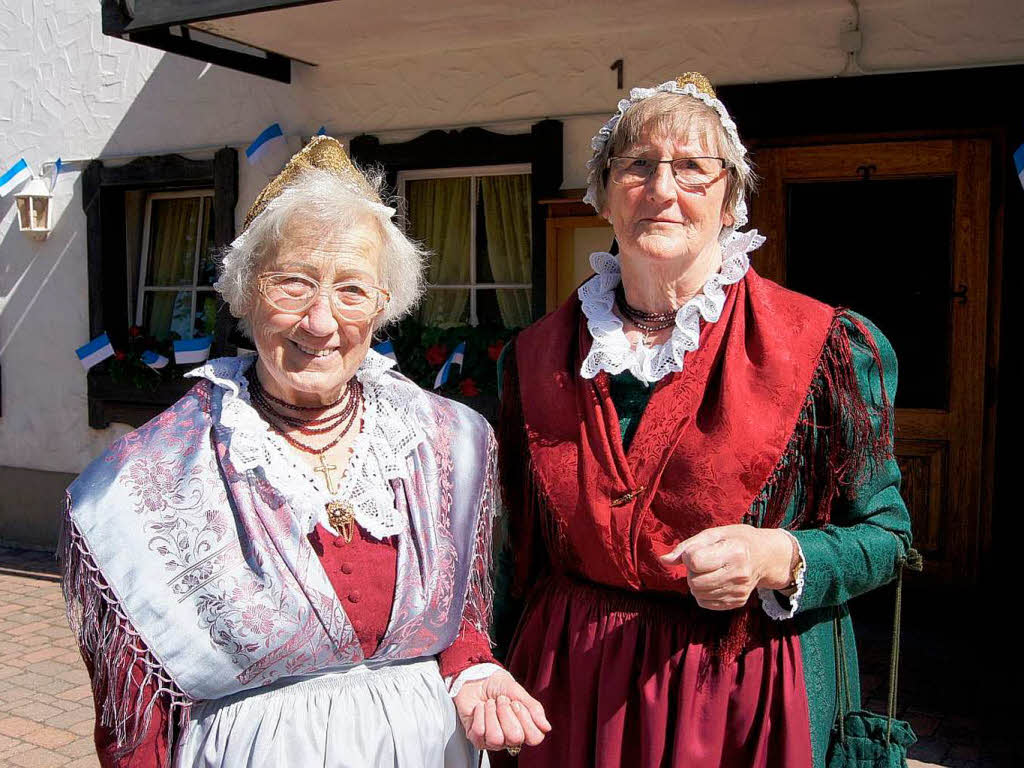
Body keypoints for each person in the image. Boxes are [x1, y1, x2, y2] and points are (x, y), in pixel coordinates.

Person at [61, 136, 548, 768]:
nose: (321, 321)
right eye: (293, 283)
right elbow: (136, 721)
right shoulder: (145, 479)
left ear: (383, 305)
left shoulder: (445, 440)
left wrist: (474, 670)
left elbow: (461, 615)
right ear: (244, 291)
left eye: (352, 289)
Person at [494, 73, 912, 767]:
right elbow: (515, 558)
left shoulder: (826, 346)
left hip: (747, 697)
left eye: (693, 167)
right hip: (572, 691)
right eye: (638, 166)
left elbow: (888, 537)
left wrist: (780, 556)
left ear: (730, 201)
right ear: (604, 193)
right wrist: (487, 672)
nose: (663, 189)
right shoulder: (535, 357)